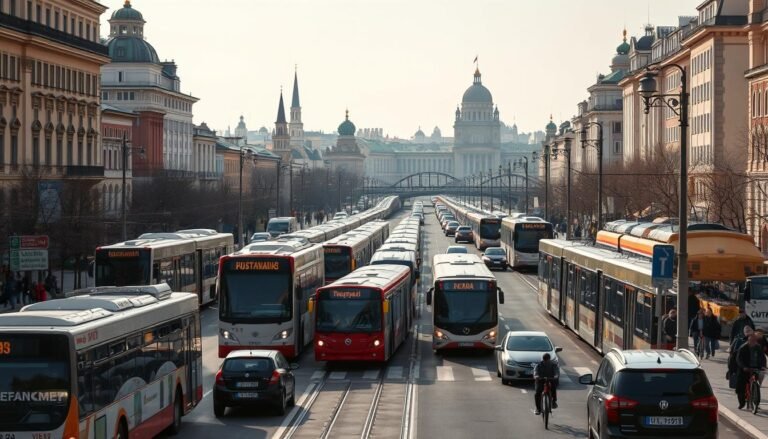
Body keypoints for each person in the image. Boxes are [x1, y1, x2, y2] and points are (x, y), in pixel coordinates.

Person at [735, 334, 767, 409]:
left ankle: (755, 401)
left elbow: (763, 357)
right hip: (745, 368)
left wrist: (763, 366)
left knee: (756, 383)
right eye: (751, 341)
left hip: (756, 368)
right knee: (741, 386)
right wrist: (744, 367)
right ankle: (742, 403)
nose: (753, 342)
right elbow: (739, 359)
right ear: (748, 341)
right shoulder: (743, 348)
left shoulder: (758, 347)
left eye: (754, 341)